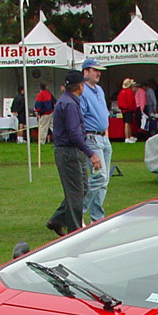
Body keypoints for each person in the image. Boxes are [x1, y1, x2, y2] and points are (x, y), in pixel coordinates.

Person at [47, 70, 102, 236]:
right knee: (76, 194)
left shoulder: (68, 101)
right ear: (80, 86)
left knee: (82, 188)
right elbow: (74, 133)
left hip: (70, 151)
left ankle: (57, 219)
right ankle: (75, 232)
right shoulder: (70, 104)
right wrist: (91, 153)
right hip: (69, 152)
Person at [79, 57, 111, 225]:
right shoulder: (82, 90)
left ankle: (97, 219)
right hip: (91, 137)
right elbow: (81, 117)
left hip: (104, 137)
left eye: (99, 70)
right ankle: (78, 212)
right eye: (95, 70)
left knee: (104, 181)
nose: (98, 73)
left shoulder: (99, 89)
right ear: (86, 72)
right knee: (100, 177)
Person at [118, 77, 138, 143]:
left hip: (124, 109)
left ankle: (129, 136)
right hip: (128, 109)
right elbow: (131, 101)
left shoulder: (121, 92)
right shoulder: (129, 92)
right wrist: (133, 109)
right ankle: (127, 137)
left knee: (128, 123)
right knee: (127, 123)